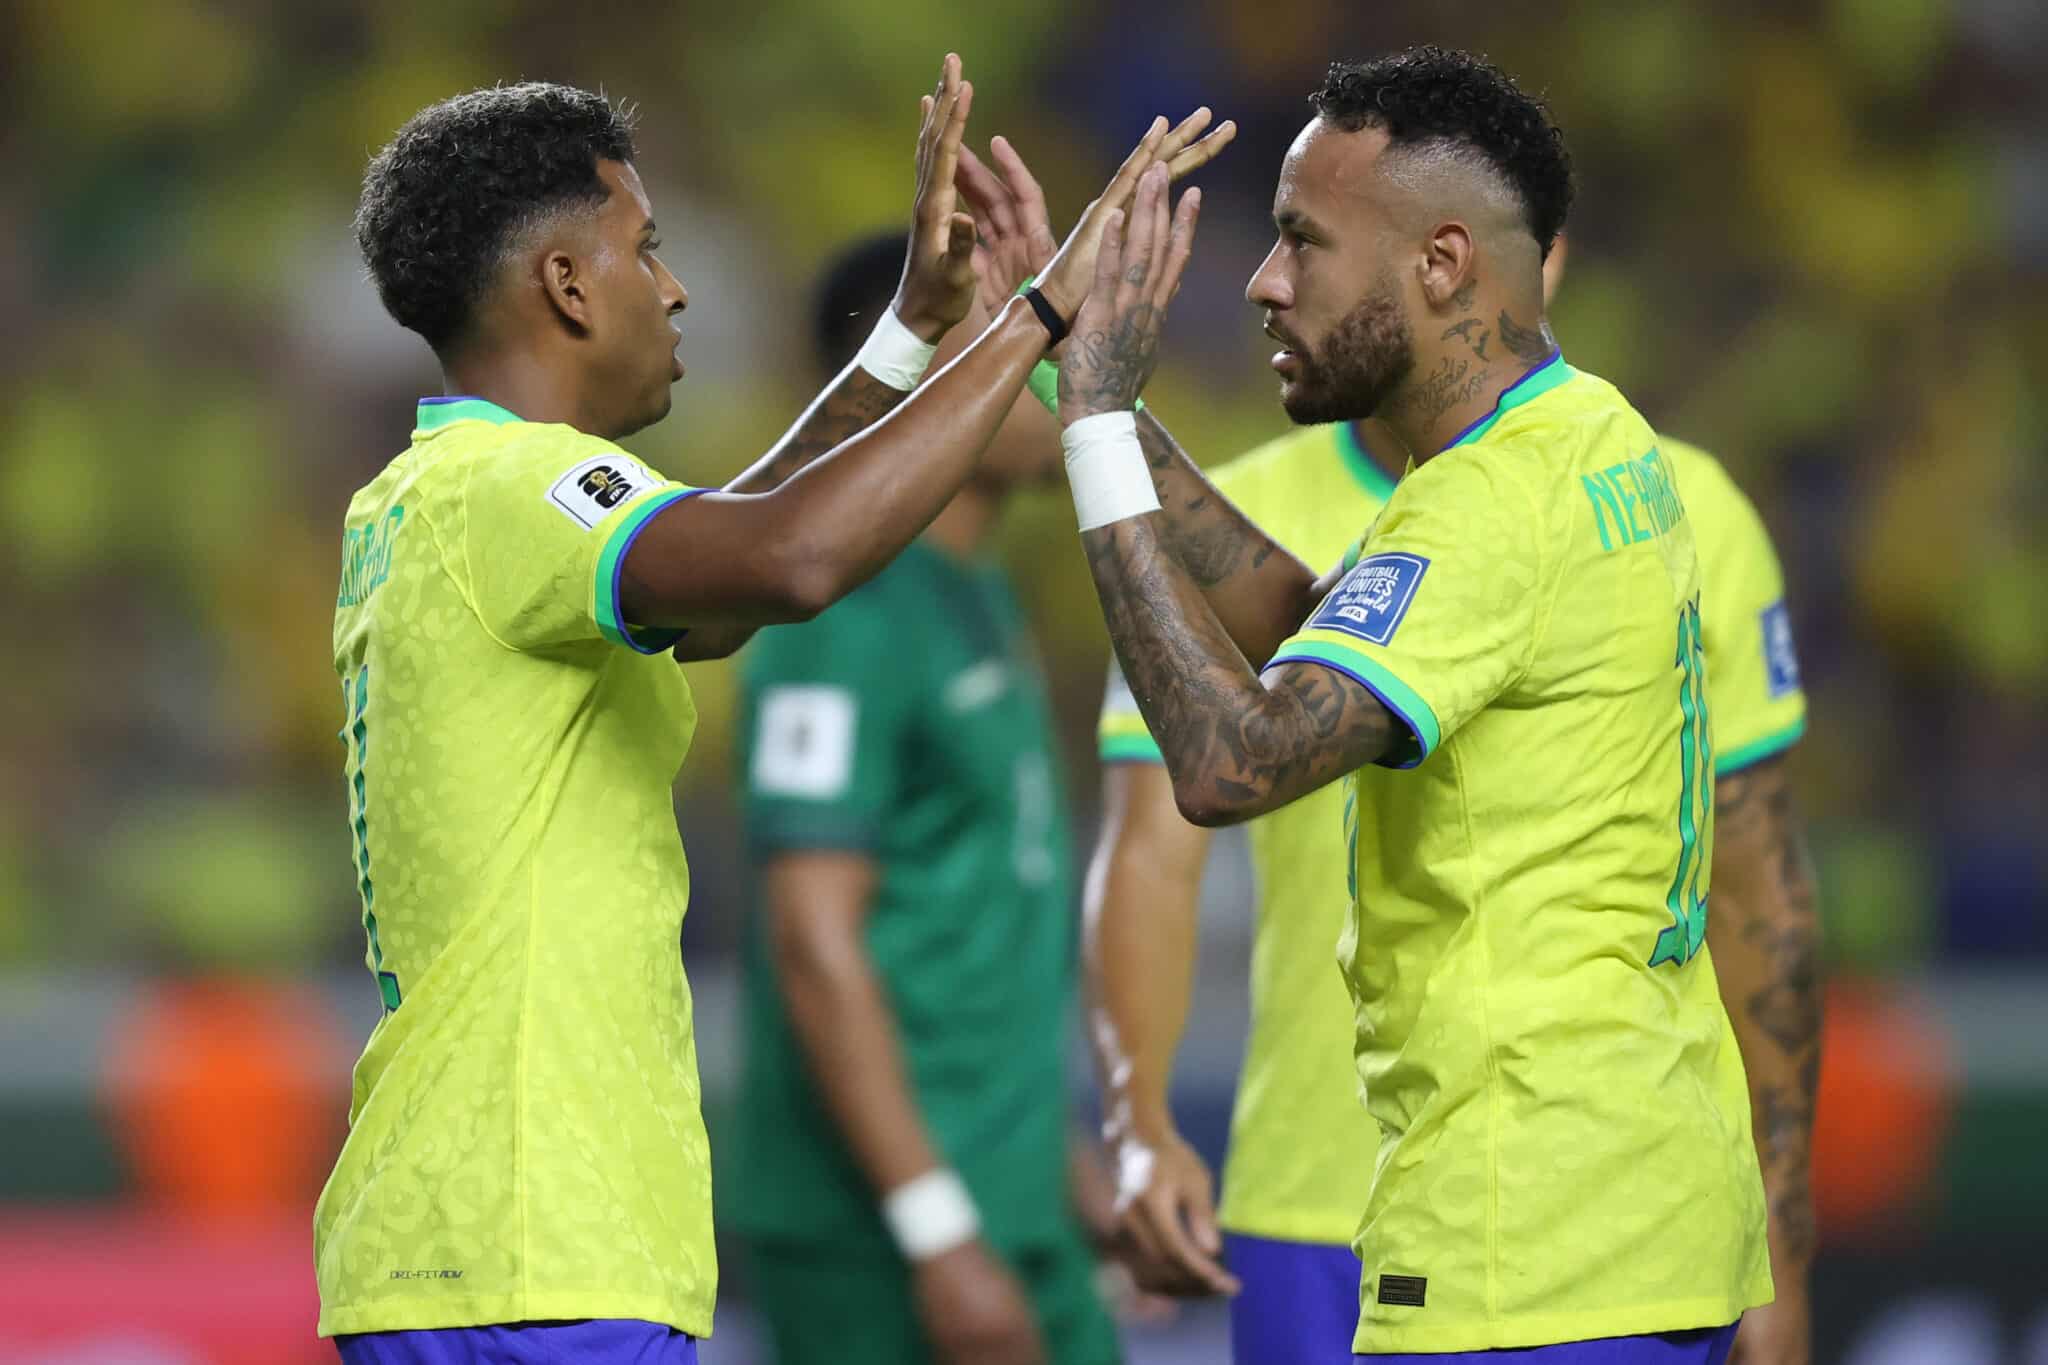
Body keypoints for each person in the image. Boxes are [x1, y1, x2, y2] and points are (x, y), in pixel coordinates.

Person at [317, 58, 1227, 1364]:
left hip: (466, 1239)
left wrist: (908, 334)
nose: (674, 287)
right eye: (645, 247)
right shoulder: (511, 489)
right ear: (566, 285)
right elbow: (792, 558)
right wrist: (1034, 316)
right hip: (534, 1248)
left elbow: (734, 581)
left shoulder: (436, 499)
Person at [972, 45, 1772, 1361]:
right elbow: (1304, 620)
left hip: (1525, 1246)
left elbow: (1231, 764)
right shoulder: (1588, 435)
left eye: (1302, 239)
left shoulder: (1485, 508)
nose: (1262, 280)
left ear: (1442, 264)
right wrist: (1073, 373)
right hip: (1640, 1212)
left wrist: (1101, 427)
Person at [727, 233, 1118, 1365]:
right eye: (1029, 326)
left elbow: (967, 924)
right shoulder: (837, 614)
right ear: (933, 359)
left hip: (1008, 1201)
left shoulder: (973, 589)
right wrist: (936, 1233)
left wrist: (1059, 1167)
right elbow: (812, 941)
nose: (1060, 358)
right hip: (884, 1238)